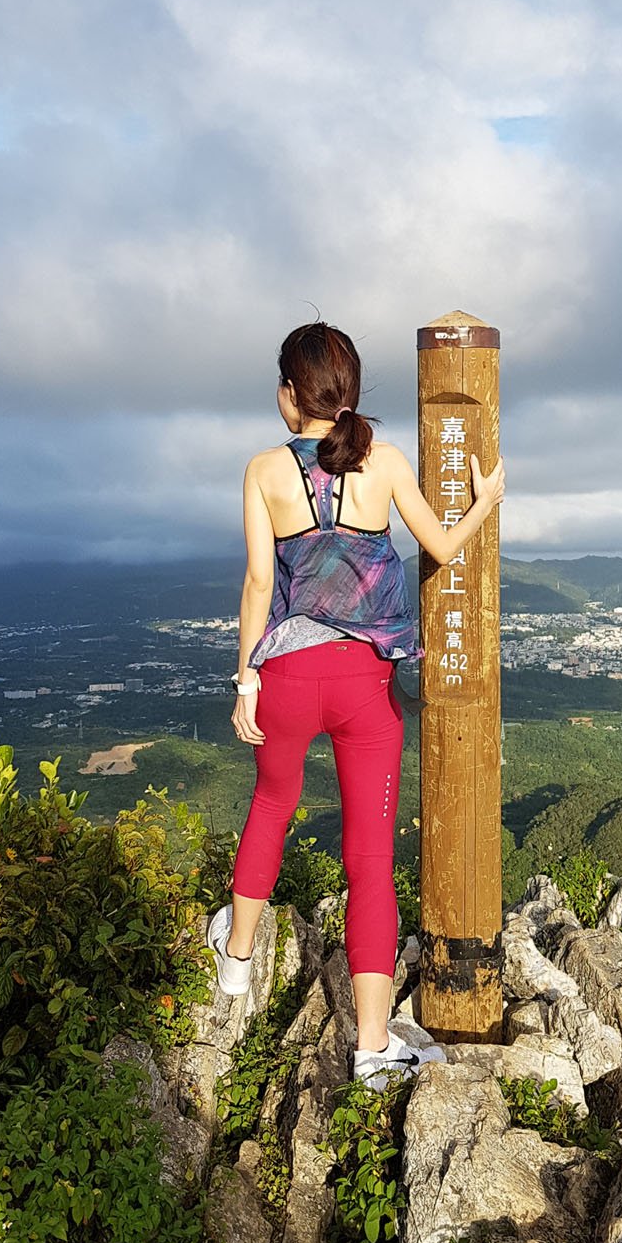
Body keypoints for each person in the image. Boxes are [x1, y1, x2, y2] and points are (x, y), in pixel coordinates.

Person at [206, 320, 505, 1091]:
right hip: (366, 686)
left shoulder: (263, 471)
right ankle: (373, 1044)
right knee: (369, 861)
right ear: (349, 394)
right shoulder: (387, 461)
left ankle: (236, 963)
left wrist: (246, 679)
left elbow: (258, 587)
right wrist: (486, 500)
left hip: (289, 679)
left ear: (287, 394)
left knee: (271, 802)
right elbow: (440, 548)